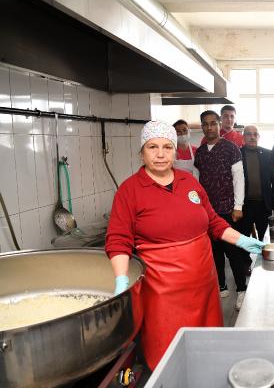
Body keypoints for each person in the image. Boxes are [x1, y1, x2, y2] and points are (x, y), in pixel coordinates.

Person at [105, 120, 264, 370]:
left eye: (167, 147)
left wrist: (243, 241)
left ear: (175, 152)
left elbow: (213, 222)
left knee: (208, 353)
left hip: (204, 285)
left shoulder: (189, 182)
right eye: (153, 147)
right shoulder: (130, 190)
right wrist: (121, 280)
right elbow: (118, 240)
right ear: (141, 152)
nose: (160, 154)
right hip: (163, 293)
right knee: (170, 357)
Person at [194, 110, 249, 310]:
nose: (209, 127)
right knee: (215, 252)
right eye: (205, 124)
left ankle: (241, 290)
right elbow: (196, 182)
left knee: (233, 252)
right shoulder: (200, 153)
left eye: (213, 123)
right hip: (207, 212)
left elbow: (239, 178)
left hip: (228, 210)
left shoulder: (231, 148)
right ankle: (222, 286)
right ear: (202, 127)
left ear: (219, 125)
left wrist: (238, 206)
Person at [239, 125, 274, 242]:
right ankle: (246, 255)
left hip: (264, 205)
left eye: (255, 134)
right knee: (244, 240)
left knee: (265, 239)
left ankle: (263, 254)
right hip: (244, 206)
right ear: (243, 137)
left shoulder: (268, 154)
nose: (252, 137)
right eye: (249, 134)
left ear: (259, 137)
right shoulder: (237, 154)